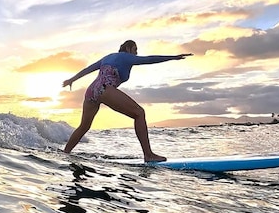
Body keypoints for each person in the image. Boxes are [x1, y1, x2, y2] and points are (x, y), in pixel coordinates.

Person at [62, 40, 193, 162]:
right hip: (105, 89)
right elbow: (149, 59)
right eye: (135, 50)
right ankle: (148, 154)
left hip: (91, 91)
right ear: (128, 48)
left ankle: (65, 153)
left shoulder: (107, 57)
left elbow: (87, 70)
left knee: (84, 126)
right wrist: (173, 57)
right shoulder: (126, 56)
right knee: (139, 113)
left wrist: (71, 80)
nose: (136, 53)